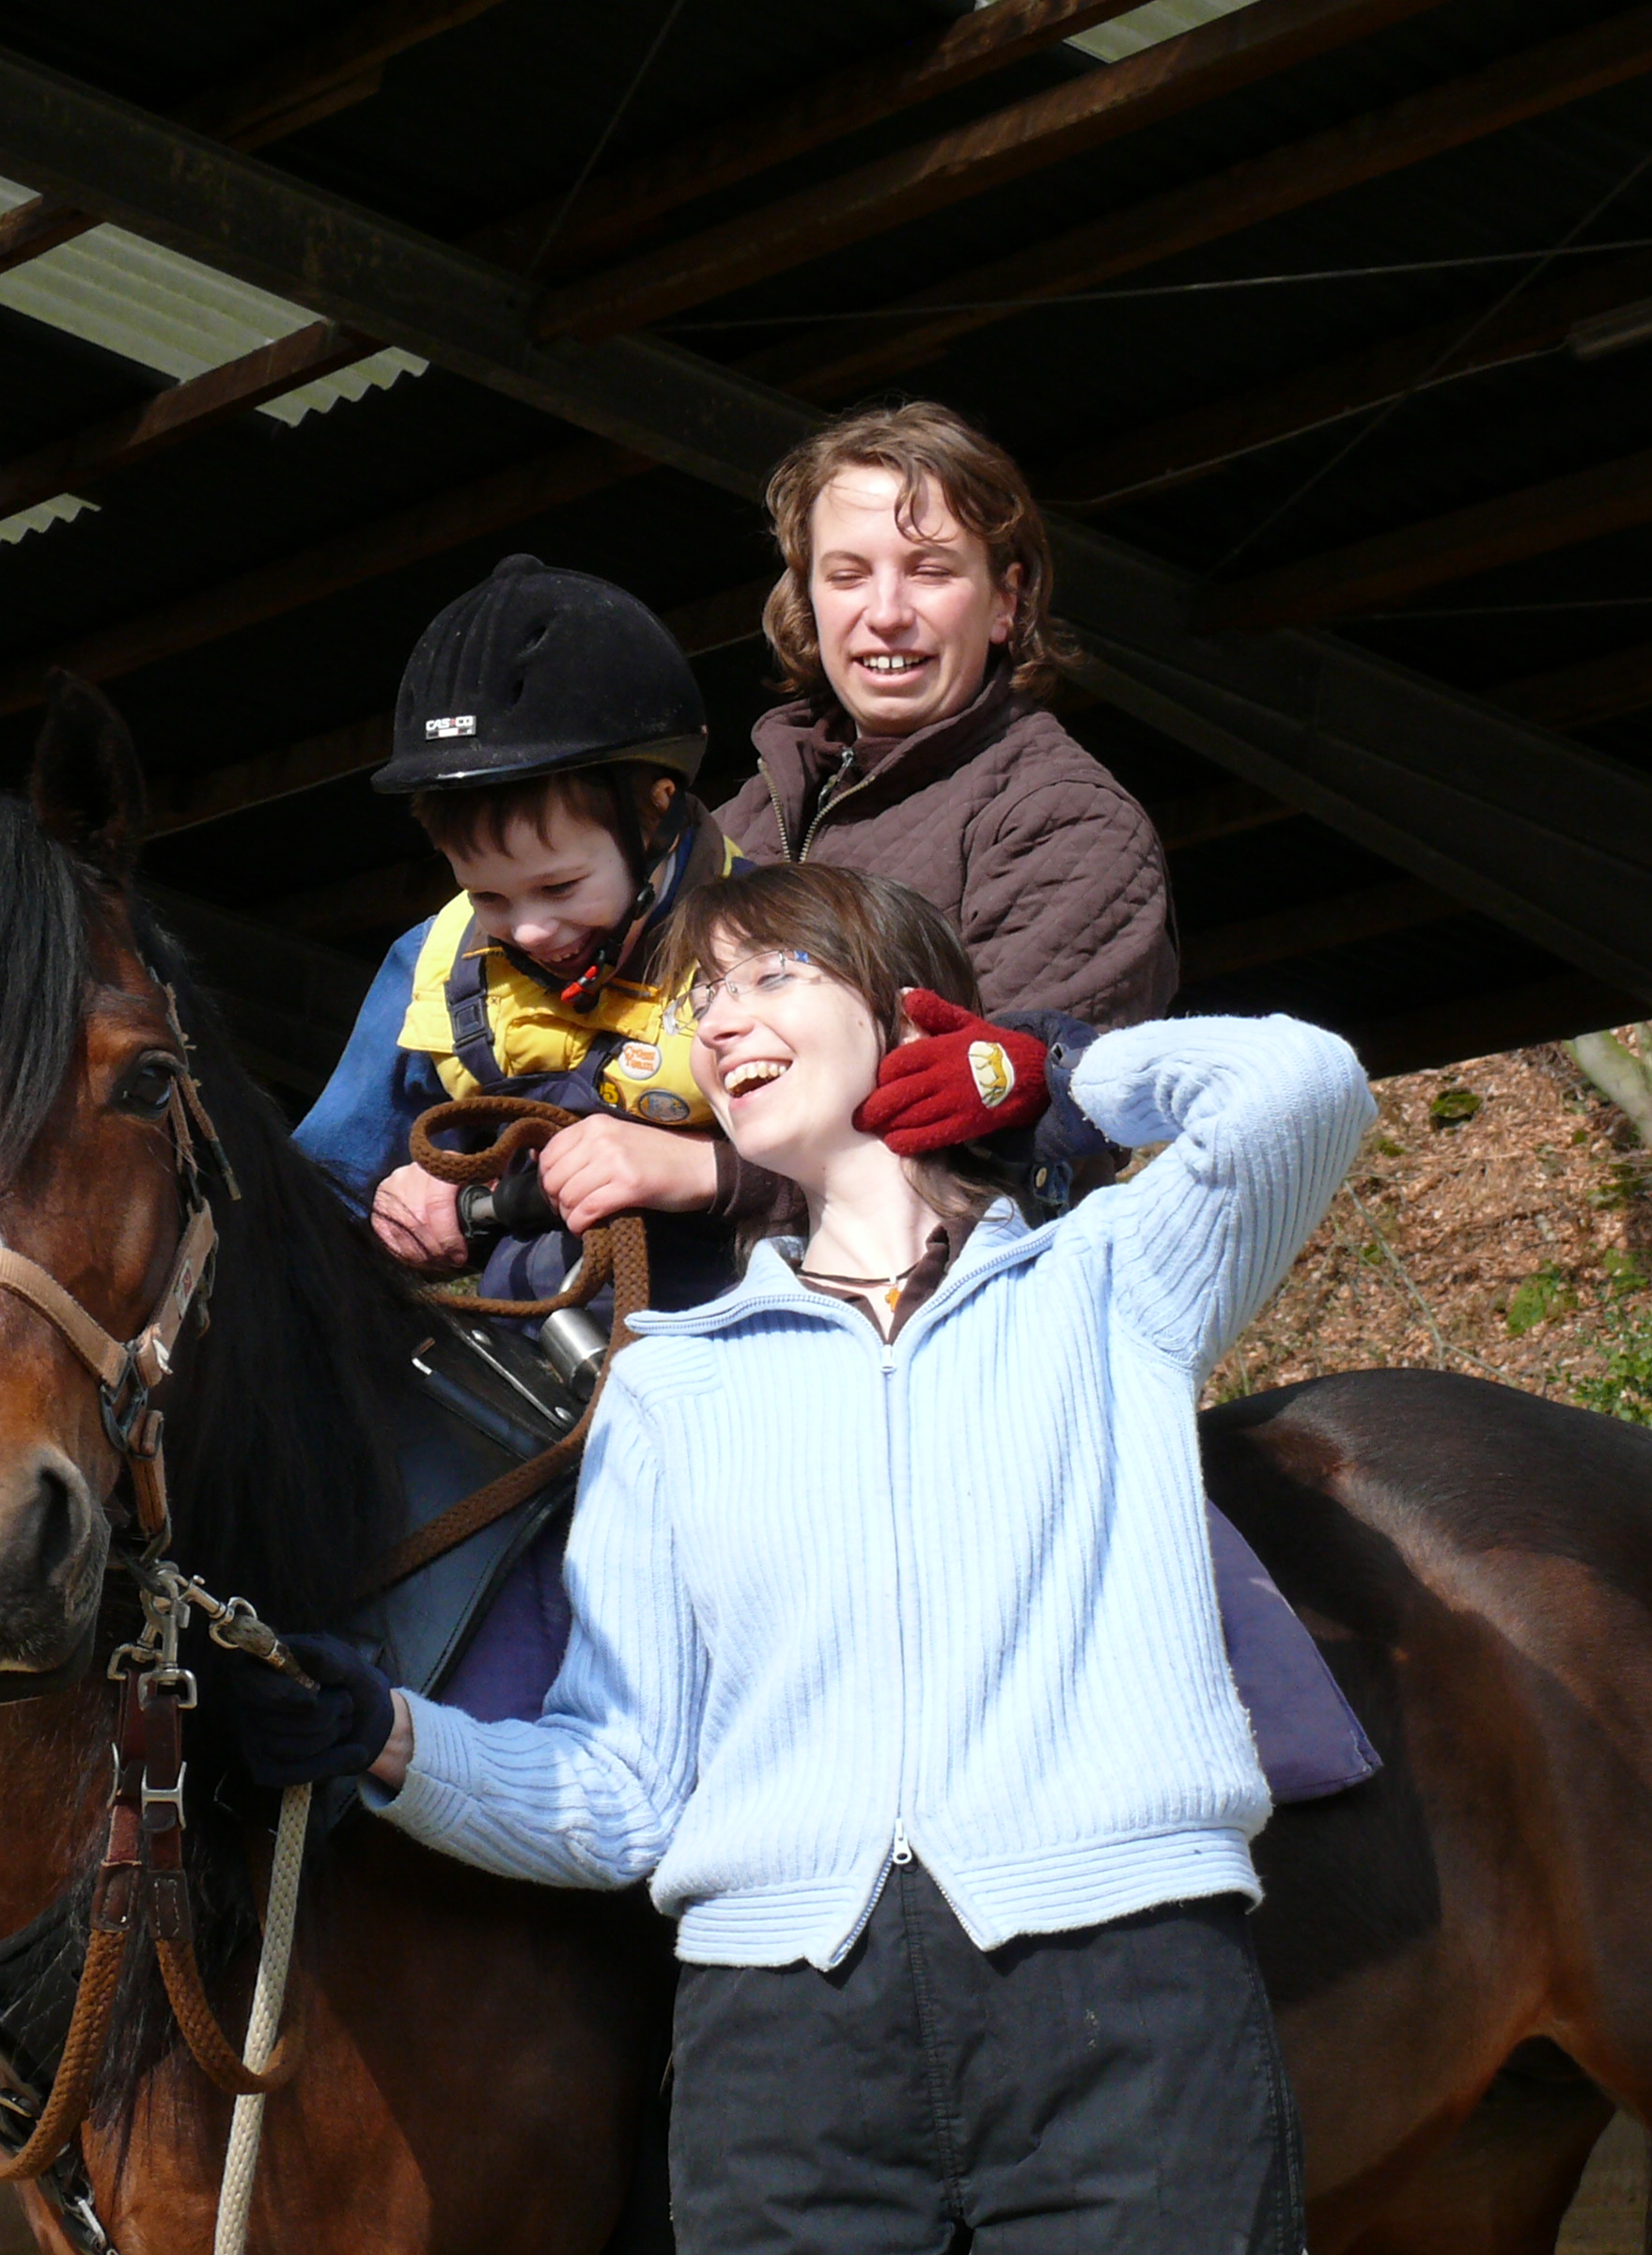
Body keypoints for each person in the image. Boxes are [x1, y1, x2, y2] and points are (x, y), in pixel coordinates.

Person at [219, 863, 1375, 2255]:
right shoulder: (670, 1389)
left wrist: (1052, 1070)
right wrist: (391, 1738)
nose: (721, 1021)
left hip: (1122, 2009)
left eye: (774, 976)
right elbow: (627, 1791)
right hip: (781, 2056)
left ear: (906, 1019)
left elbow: (1303, 1090)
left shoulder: (1114, 1281)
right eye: (706, 996)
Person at [717, 399, 1181, 1216]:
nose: (886, 611)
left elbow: (1014, 1134)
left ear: (1006, 602)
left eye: (930, 571)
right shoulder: (740, 826)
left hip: (945, 1313)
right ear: (808, 601)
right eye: (848, 574)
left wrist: (705, 1179)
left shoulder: (1064, 822)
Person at [292, 553, 751, 1313]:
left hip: (741, 1351)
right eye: (488, 895)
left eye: (561, 886)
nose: (533, 930)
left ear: (659, 813)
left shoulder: (777, 949)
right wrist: (399, 1209)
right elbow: (318, 1194)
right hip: (528, 1361)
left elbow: (874, 1170)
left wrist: (699, 1167)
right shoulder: (435, 964)